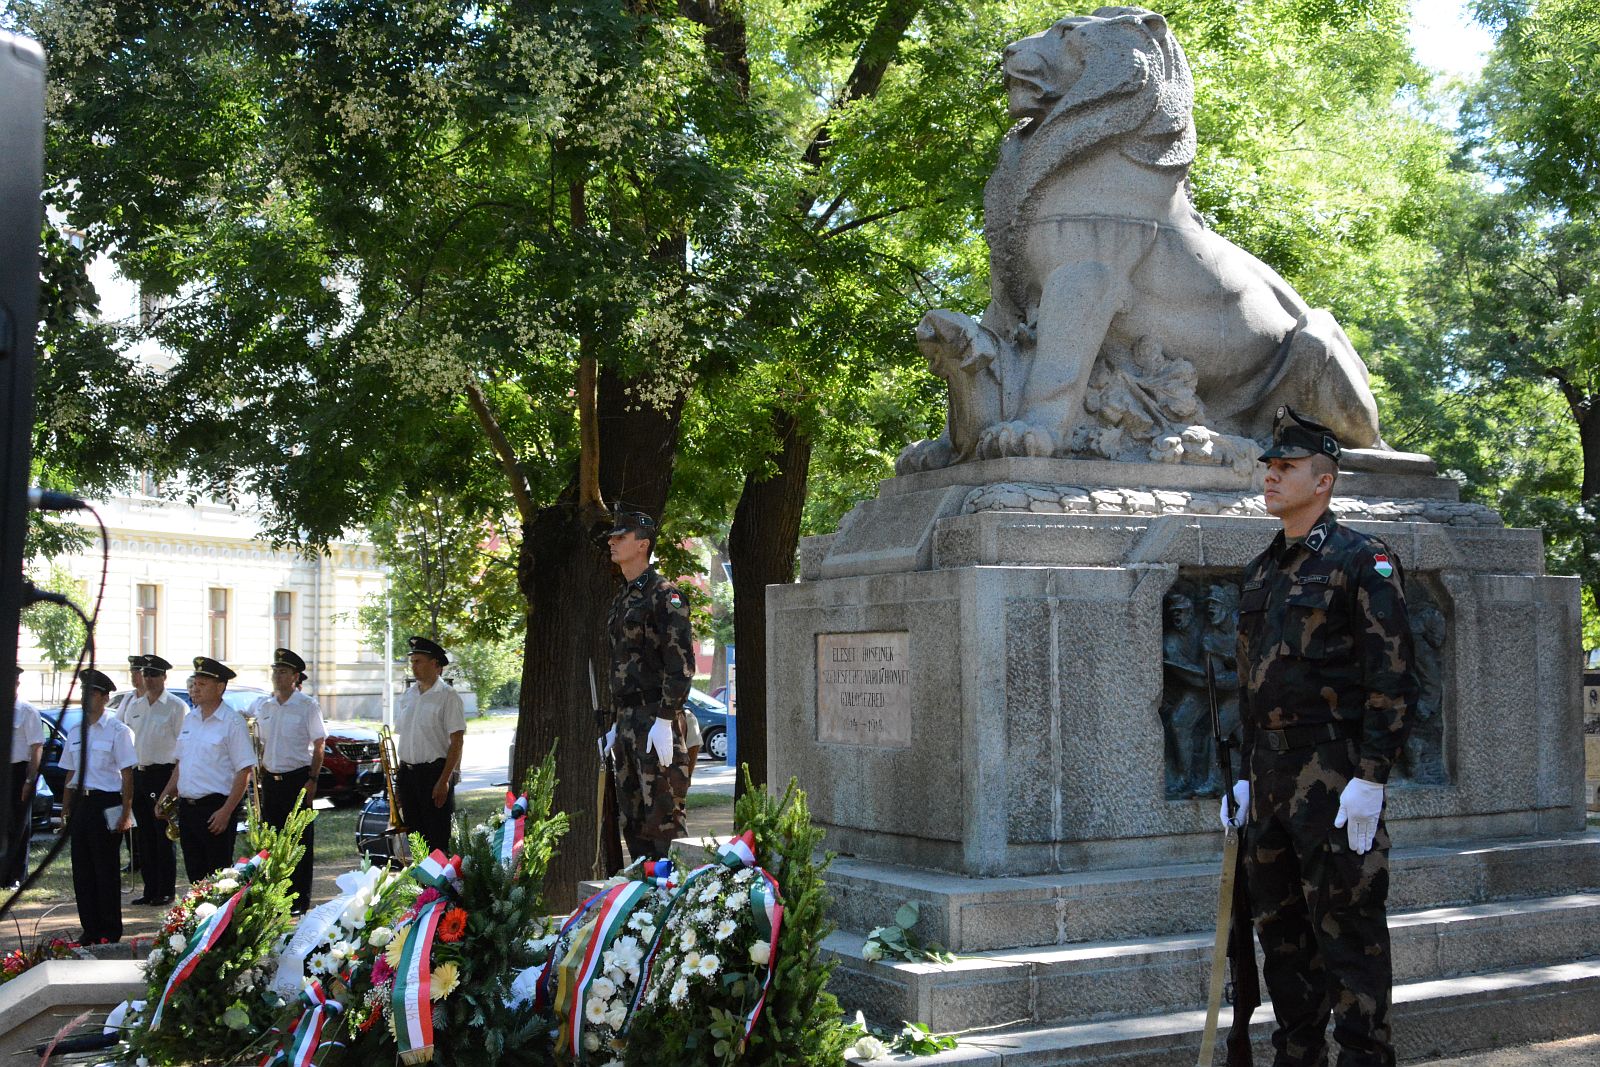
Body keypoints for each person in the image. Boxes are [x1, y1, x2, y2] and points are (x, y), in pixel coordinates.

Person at [1222, 406, 1418, 1067]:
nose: (1271, 478)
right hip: (1271, 783)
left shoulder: (1364, 561)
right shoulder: (1260, 571)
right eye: (1269, 468)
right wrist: (1246, 775)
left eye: (1287, 468)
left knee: (1349, 934)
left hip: (1335, 780)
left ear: (1324, 480)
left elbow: (1391, 676)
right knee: (1280, 938)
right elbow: (1251, 687)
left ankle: (1364, 1057)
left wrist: (1371, 778)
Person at [603, 511, 694, 861]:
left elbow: (681, 664)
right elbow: (621, 666)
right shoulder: (622, 598)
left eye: (620, 537)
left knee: (664, 818)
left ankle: (671, 903)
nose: (612, 541)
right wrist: (616, 722)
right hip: (628, 719)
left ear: (642, 544)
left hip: (657, 718)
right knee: (633, 817)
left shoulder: (664, 595)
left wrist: (666, 718)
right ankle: (643, 902)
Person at [159, 658, 255, 882]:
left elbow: (244, 770)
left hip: (215, 809)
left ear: (220, 687)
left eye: (202, 684)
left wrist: (226, 811)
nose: (195, 689)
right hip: (188, 809)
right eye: (194, 683)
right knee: (195, 876)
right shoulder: (191, 719)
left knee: (218, 880)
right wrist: (166, 795)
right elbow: (181, 764)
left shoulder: (232, 722)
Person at [59, 669, 135, 944]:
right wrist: (65, 810)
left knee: (105, 870)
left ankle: (110, 930)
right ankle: (89, 929)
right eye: (82, 691)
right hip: (82, 803)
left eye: (90, 692)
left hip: (106, 803)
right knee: (82, 870)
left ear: (104, 697)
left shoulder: (118, 731)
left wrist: (126, 813)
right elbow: (69, 773)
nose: (84, 697)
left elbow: (127, 775)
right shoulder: (75, 731)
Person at [250, 649, 326, 913]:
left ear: (295, 677)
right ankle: (276, 896)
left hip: (297, 779)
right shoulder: (265, 706)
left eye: (282, 672)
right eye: (275, 671)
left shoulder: (307, 706)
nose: (277, 676)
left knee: (298, 841)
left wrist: (313, 779)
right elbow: (258, 741)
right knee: (271, 839)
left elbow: (319, 743)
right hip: (271, 780)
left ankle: (298, 899)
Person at [120, 655, 184, 906]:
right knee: (143, 834)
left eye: (153, 674)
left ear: (163, 677)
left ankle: (166, 890)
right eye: (145, 674)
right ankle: (150, 888)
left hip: (163, 775)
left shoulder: (176, 707)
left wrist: (175, 784)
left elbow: (182, 747)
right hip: (139, 774)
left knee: (162, 834)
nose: (148, 679)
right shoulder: (135, 706)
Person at [394, 637, 464, 855]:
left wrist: (444, 780)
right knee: (416, 839)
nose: (414, 666)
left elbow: (457, 741)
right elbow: (405, 737)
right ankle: (423, 888)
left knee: (437, 838)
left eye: (419, 661)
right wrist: (399, 781)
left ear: (436, 665)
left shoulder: (448, 696)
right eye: (412, 661)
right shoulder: (409, 695)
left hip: (434, 774)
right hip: (409, 774)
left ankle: (439, 889)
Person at [3, 669, 44, 887]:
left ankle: (17, 875)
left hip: (19, 771)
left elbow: (37, 747)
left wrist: (30, 780)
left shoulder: (27, 711)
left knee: (19, 825)